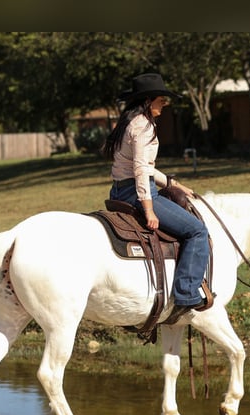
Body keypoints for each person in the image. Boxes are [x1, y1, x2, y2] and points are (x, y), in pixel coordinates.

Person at [102, 72, 211, 315]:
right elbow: (141, 170)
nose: (165, 104)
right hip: (137, 192)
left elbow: (144, 167)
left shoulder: (127, 123)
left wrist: (173, 184)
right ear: (149, 100)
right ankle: (186, 293)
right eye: (161, 100)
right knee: (197, 231)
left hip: (119, 190)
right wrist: (148, 208)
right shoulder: (143, 126)